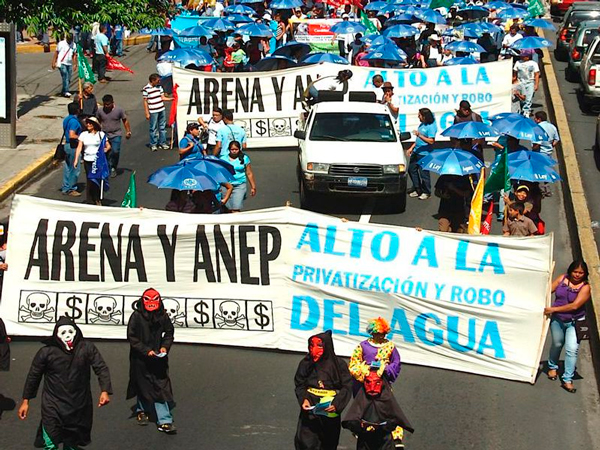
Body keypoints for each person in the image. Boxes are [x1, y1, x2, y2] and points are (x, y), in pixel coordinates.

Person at [18, 316, 112, 449]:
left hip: (78, 405)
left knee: (71, 443)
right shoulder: (46, 352)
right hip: (53, 405)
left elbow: (101, 367)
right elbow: (34, 376)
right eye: (63, 333)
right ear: (56, 335)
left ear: (76, 332)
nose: (67, 336)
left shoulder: (86, 348)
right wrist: (26, 401)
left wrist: (105, 390)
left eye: (70, 332)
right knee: (50, 442)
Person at [127, 288, 177, 434]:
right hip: (140, 358)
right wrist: (145, 350)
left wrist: (164, 347)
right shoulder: (136, 316)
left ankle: (165, 420)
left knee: (161, 387)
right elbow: (132, 337)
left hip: (158, 358)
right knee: (143, 385)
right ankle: (142, 410)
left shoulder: (162, 316)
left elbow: (169, 333)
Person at [294, 330, 353, 450]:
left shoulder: (338, 365)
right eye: (312, 345)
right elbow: (299, 383)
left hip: (329, 407)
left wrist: (337, 404)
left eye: (319, 346)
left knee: (328, 443)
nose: (314, 350)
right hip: (311, 405)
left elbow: (347, 386)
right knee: (306, 442)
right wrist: (304, 399)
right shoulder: (306, 363)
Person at [544, 260, 592, 393]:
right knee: (557, 344)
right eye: (575, 272)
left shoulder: (585, 287)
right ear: (570, 271)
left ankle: (567, 379)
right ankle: (552, 367)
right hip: (558, 320)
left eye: (581, 273)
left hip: (575, 322)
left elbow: (575, 306)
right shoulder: (562, 279)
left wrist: (553, 309)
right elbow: (547, 291)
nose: (577, 275)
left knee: (572, 349)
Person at [342, 370, 414, 450]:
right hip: (365, 441)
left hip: (384, 441)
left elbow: (395, 419)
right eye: (368, 382)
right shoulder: (361, 399)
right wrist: (360, 426)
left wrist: (384, 427)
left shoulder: (386, 399)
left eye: (377, 383)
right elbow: (351, 420)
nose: (372, 388)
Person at [74, 116, 111, 206]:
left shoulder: (101, 134)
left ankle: (97, 199)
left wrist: (105, 150)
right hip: (87, 160)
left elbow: (108, 146)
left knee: (97, 179)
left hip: (97, 161)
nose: (88, 125)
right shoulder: (83, 135)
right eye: (87, 123)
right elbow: (79, 147)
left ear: (95, 125)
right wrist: (76, 159)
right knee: (90, 180)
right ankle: (90, 199)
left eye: (90, 123)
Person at [97, 94, 132, 178]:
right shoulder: (100, 111)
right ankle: (108, 167)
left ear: (112, 103)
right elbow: (98, 121)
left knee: (115, 151)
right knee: (106, 152)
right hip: (104, 134)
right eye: (105, 104)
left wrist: (128, 131)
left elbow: (125, 120)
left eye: (108, 104)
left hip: (116, 134)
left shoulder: (119, 110)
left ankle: (113, 166)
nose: (106, 106)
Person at [407, 108, 436, 200]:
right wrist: (411, 148)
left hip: (424, 153)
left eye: (419, 115)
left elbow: (431, 141)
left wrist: (419, 135)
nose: (418, 117)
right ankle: (417, 188)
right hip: (416, 151)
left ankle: (427, 191)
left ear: (424, 116)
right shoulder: (422, 124)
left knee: (424, 173)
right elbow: (418, 139)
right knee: (411, 169)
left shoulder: (431, 126)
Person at [221, 140, 257, 212]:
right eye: (232, 149)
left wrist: (253, 187)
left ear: (239, 149)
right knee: (227, 208)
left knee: (236, 207)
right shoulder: (223, 159)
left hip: (240, 184)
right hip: (226, 185)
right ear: (229, 149)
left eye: (236, 149)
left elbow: (249, 173)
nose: (234, 151)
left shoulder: (244, 158)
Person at [142, 73, 172, 152]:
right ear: (152, 80)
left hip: (161, 109)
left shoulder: (159, 87)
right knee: (153, 128)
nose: (159, 82)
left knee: (162, 127)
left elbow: (163, 98)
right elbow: (145, 101)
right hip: (153, 111)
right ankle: (153, 144)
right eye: (157, 81)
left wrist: (171, 99)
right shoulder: (146, 89)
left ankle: (162, 142)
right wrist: (147, 113)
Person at [61, 102, 83, 196]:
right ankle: (71, 188)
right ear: (77, 110)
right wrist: (81, 138)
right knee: (74, 168)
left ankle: (66, 187)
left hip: (67, 146)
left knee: (68, 167)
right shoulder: (74, 121)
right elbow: (72, 135)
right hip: (73, 146)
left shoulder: (67, 119)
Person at [513, 49, 539, 117]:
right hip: (520, 83)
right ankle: (520, 110)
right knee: (521, 98)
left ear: (528, 56)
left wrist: (536, 84)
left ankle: (526, 112)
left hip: (530, 83)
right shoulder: (518, 63)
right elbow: (515, 74)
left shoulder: (533, 64)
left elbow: (536, 74)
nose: (522, 57)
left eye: (524, 56)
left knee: (528, 99)